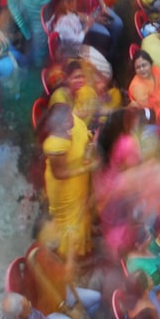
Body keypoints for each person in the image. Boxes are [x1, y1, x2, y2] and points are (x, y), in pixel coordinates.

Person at [41, 103, 97, 260]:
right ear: (57, 126)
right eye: (65, 121)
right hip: (65, 187)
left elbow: (86, 136)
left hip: (78, 181)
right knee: (72, 223)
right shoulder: (56, 143)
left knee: (84, 210)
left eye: (69, 117)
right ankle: (69, 257)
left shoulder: (75, 122)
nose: (70, 121)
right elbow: (60, 173)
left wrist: (91, 144)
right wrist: (86, 169)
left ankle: (85, 241)